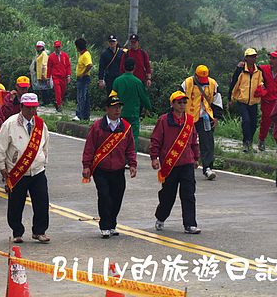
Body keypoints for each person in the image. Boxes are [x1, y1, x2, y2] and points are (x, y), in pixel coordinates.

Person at [0, 93, 50, 244]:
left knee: (42, 202)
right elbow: (0, 147)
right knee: (16, 204)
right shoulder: (10, 124)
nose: (32, 111)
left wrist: (43, 162)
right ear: (21, 107)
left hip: (37, 171)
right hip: (17, 171)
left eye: (34, 108)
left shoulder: (40, 124)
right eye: (29, 108)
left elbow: (45, 146)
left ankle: (39, 231)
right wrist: (1, 166)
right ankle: (17, 231)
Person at [82, 94, 137, 238]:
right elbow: (89, 147)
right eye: (114, 108)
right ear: (107, 109)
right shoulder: (97, 126)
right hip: (101, 169)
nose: (117, 110)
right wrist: (86, 166)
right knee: (104, 196)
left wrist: (132, 164)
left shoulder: (125, 127)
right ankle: (105, 226)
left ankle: (112, 224)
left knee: (117, 197)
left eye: (119, 107)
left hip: (118, 169)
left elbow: (130, 148)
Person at [150, 91, 201, 234]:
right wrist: (154, 157)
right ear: (172, 104)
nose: (182, 105)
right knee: (168, 195)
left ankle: (190, 224)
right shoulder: (163, 120)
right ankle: (161, 217)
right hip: (170, 164)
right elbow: (156, 140)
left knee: (188, 194)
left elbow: (194, 141)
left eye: (184, 102)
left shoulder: (190, 121)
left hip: (187, 163)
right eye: (179, 102)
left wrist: (196, 158)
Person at [181, 65, 223, 180]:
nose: (204, 82)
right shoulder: (187, 83)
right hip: (189, 118)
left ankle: (208, 168)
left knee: (207, 142)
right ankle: (185, 166)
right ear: (196, 76)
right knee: (186, 142)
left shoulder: (213, 83)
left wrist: (216, 117)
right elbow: (178, 100)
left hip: (205, 117)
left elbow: (217, 100)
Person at [112, 57, 151, 153]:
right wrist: (148, 107)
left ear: (124, 67)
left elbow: (112, 97)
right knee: (133, 137)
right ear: (134, 68)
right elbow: (143, 97)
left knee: (120, 135)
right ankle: (131, 159)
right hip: (133, 113)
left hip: (119, 113)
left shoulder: (117, 81)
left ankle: (121, 158)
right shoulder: (137, 82)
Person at [228, 48, 264, 153]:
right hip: (242, 100)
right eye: (251, 56)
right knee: (246, 121)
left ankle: (249, 142)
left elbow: (262, 82)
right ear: (246, 58)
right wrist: (230, 98)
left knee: (253, 123)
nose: (253, 59)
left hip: (254, 101)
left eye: (254, 56)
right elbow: (234, 84)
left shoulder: (259, 71)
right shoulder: (240, 70)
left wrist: (261, 87)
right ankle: (246, 143)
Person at [258, 50, 277, 151]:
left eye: (273, 59)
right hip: (267, 101)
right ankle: (261, 141)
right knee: (265, 122)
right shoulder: (263, 69)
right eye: (270, 58)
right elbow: (251, 70)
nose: (270, 60)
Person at [46, 40, 71, 112]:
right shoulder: (51, 57)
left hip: (63, 77)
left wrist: (68, 76)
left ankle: (57, 102)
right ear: (54, 48)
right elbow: (49, 68)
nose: (58, 48)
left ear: (61, 47)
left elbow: (68, 66)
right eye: (56, 47)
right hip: (55, 76)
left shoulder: (65, 55)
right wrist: (48, 78)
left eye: (59, 47)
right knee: (58, 91)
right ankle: (59, 105)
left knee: (63, 90)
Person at [75, 38, 93, 121]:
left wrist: (82, 74)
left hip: (84, 78)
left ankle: (79, 114)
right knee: (84, 97)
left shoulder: (85, 55)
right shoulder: (81, 54)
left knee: (81, 96)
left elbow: (89, 65)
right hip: (81, 78)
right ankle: (85, 115)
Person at [31, 41, 50, 106]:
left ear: (43, 47)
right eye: (38, 47)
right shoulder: (38, 54)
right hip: (39, 73)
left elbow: (44, 64)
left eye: (40, 47)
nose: (38, 48)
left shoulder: (44, 54)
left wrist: (43, 74)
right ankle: (44, 101)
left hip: (43, 73)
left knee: (45, 88)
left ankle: (46, 101)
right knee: (42, 88)